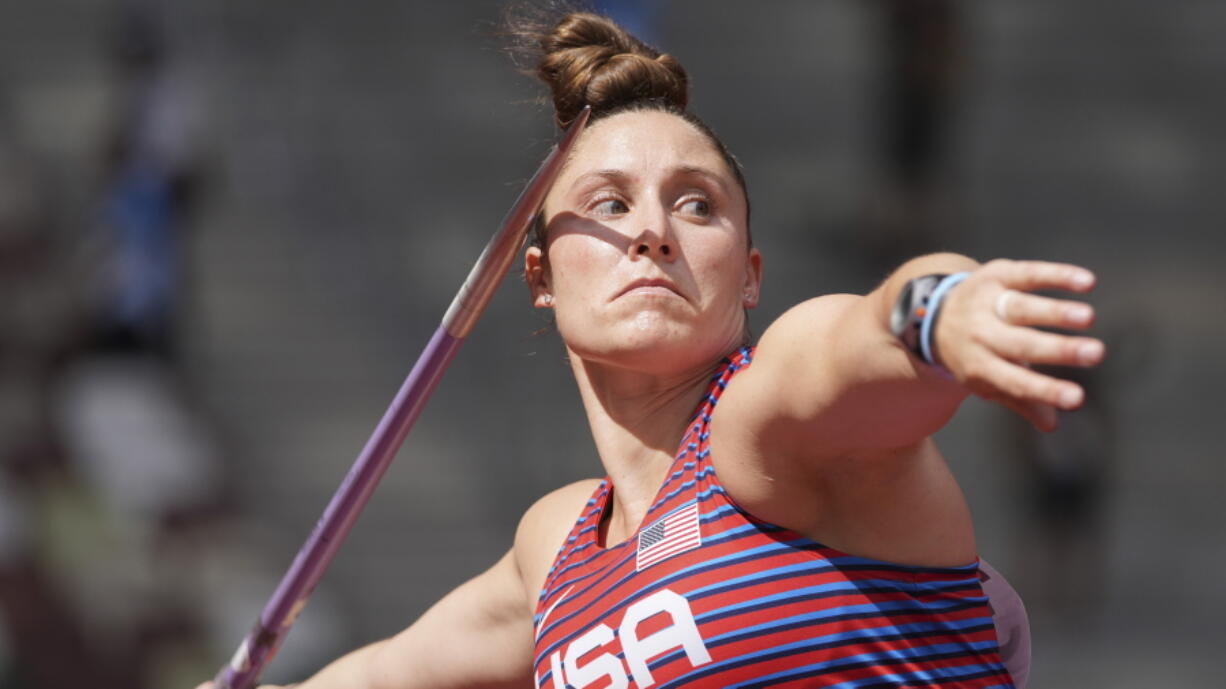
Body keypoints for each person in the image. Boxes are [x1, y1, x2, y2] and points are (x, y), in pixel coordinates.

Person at [200, 10, 1102, 689]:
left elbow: (862, 333)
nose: (653, 233)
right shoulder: (553, 551)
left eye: (697, 203)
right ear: (540, 278)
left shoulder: (767, 431)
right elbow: (386, 674)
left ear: (748, 275)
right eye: (608, 202)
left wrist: (943, 307)